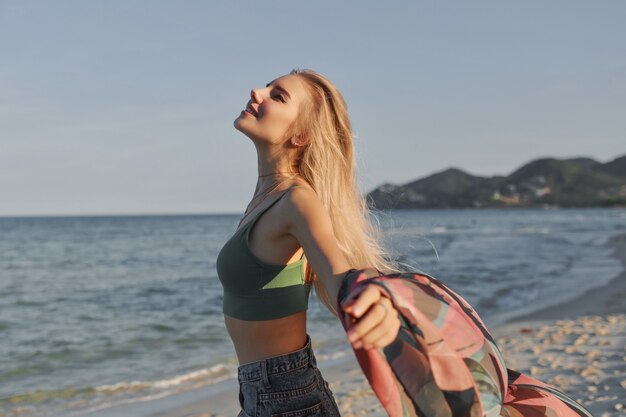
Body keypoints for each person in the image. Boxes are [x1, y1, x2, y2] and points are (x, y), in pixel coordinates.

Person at [216, 69, 401, 417]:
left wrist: (372, 298)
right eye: (267, 86)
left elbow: (337, 274)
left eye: (277, 95)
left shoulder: (298, 200)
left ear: (301, 136)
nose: (257, 91)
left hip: (286, 397)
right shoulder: (268, 196)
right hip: (263, 392)